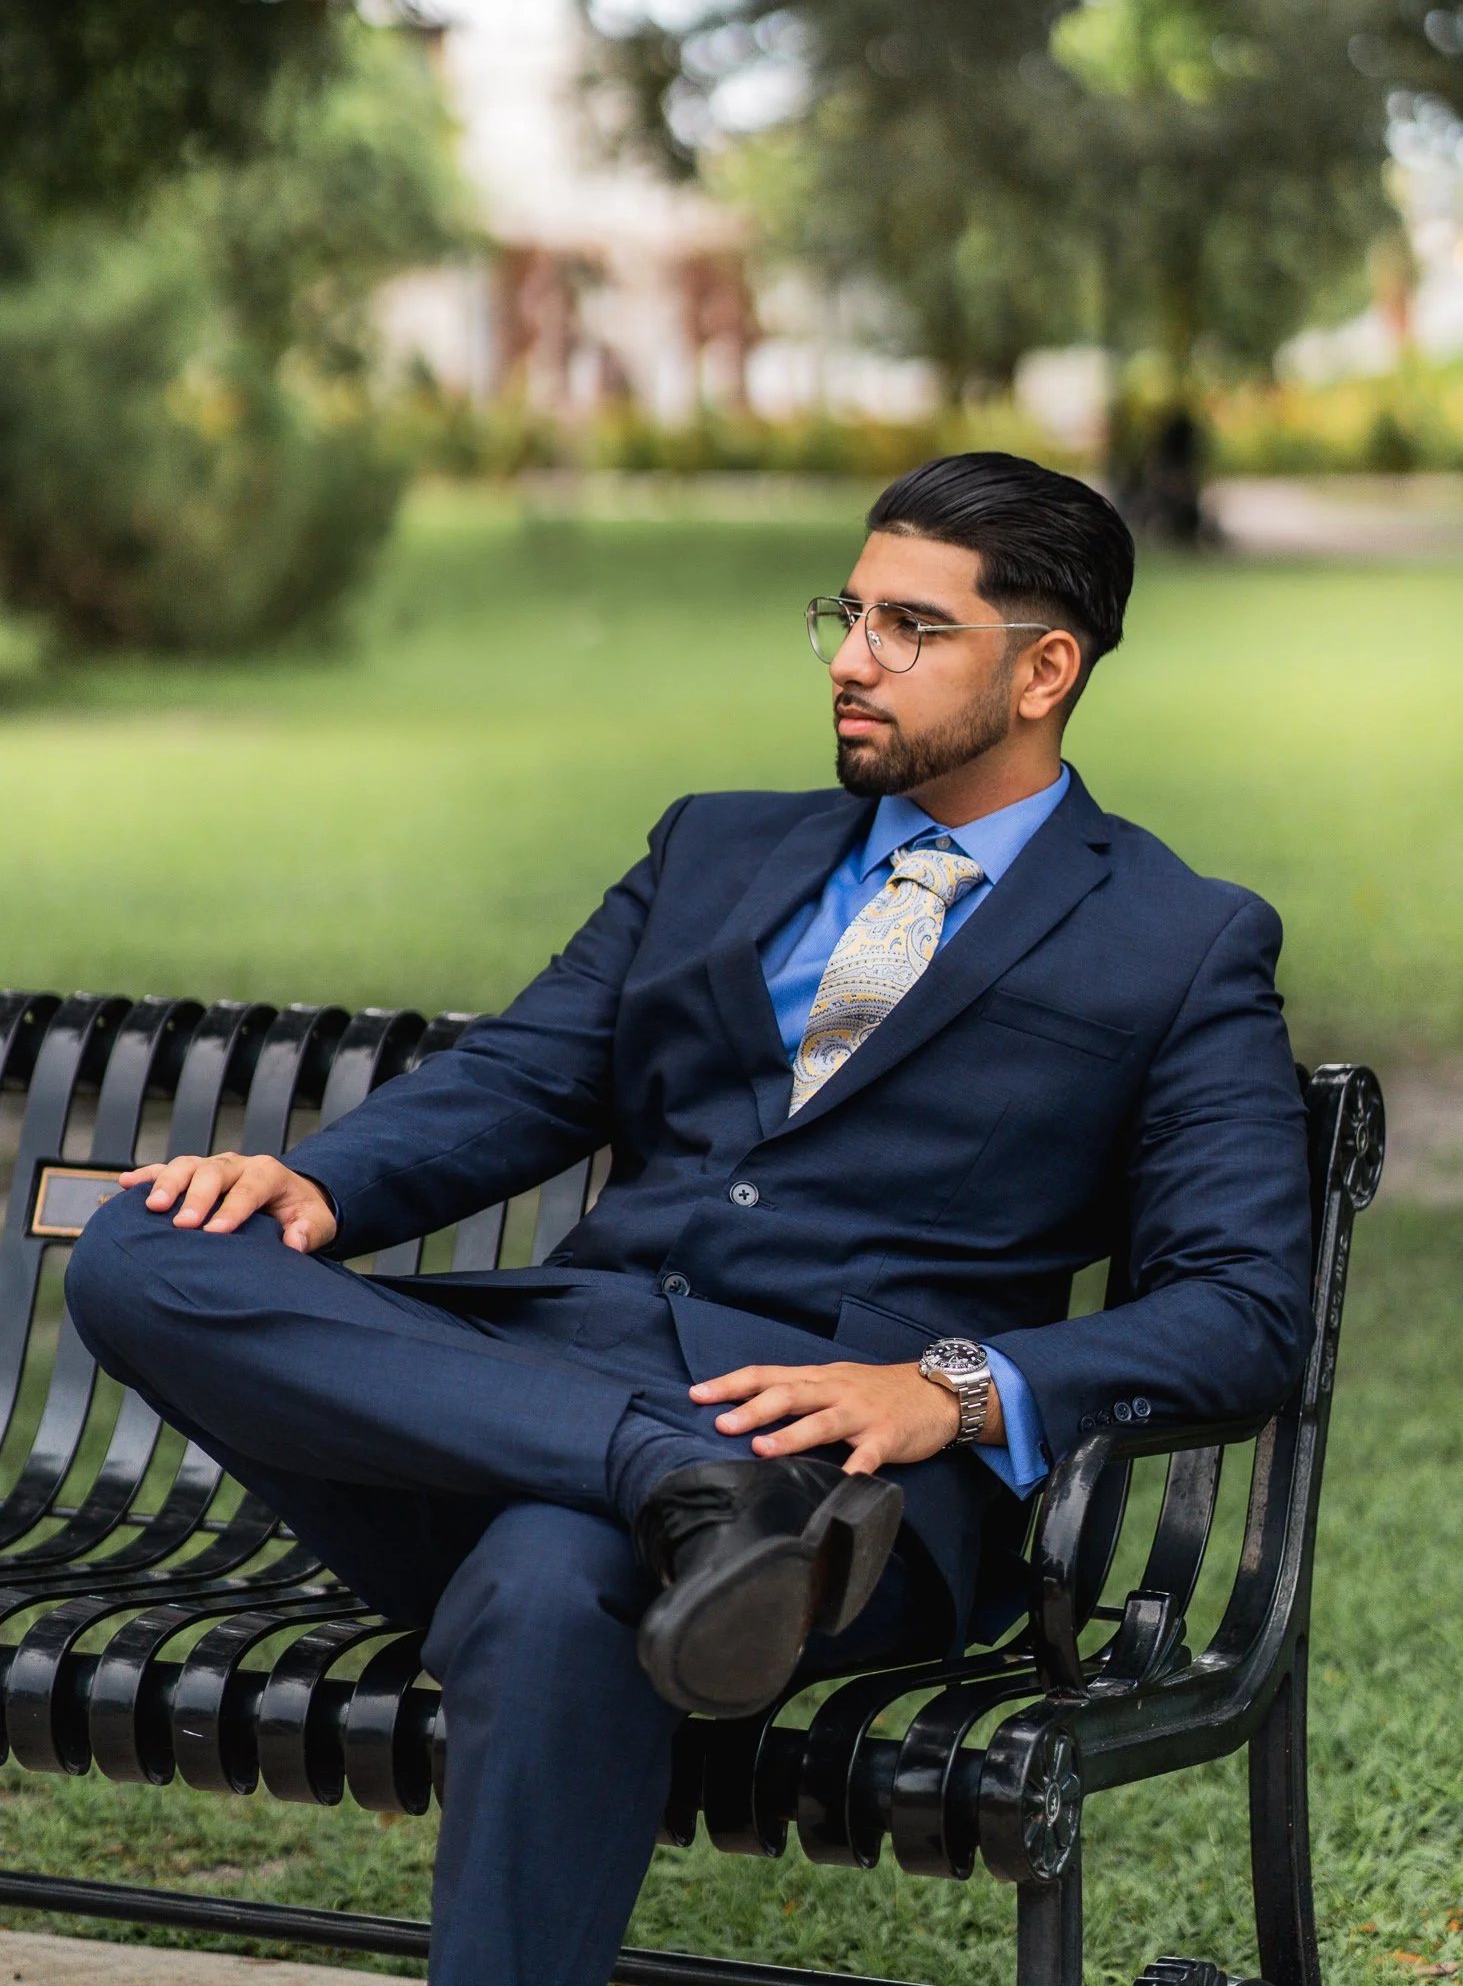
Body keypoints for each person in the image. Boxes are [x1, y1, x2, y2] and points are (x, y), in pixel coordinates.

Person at [65, 452, 1312, 1986]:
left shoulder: (1175, 942)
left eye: (908, 628)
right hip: (576, 1392)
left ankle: (672, 1492)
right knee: (144, 1247)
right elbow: (525, 1077)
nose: (852, 660)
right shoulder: (710, 847)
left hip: (837, 1486)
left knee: (547, 1576)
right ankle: (669, 1478)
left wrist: (949, 1388)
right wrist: (319, 1181)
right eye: (845, 615)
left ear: (1044, 667)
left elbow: (1244, 1309)